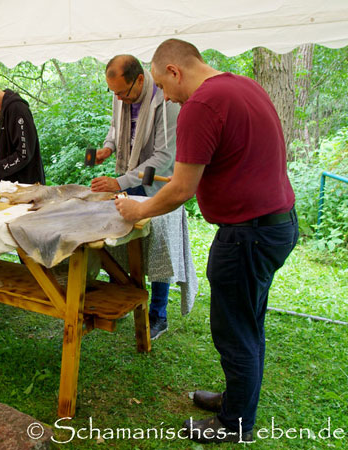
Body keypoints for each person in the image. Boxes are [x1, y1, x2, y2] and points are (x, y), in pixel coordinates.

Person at [115, 39, 298, 443]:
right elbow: (230, 160)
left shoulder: (200, 104)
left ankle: (235, 424)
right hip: (275, 225)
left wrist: (137, 209)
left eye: (164, 86)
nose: (166, 97)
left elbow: (181, 190)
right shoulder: (242, 85)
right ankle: (237, 401)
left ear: (174, 71)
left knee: (235, 332)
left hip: (248, 235)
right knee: (248, 323)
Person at [90, 54, 180, 340]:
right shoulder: (121, 94)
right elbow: (116, 127)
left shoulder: (166, 101)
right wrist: (108, 147)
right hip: (129, 178)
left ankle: (158, 315)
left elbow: (163, 158)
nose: (118, 98)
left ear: (140, 80)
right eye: (114, 93)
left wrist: (119, 182)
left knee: (158, 249)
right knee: (118, 242)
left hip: (158, 186)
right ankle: (119, 299)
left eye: (122, 93)